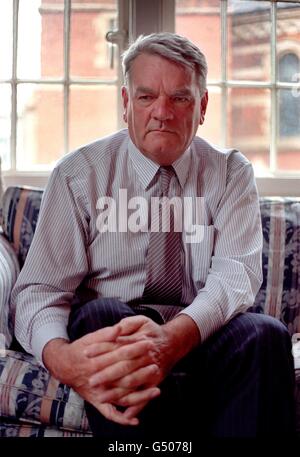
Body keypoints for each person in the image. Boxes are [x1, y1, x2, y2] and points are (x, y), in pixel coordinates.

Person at [12, 33, 295, 439]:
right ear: (127, 104)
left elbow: (236, 276)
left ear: (202, 108)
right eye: (146, 98)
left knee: (265, 334)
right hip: (118, 333)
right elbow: (39, 290)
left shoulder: (231, 173)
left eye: (179, 98)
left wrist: (171, 340)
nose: (162, 112)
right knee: (100, 317)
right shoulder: (79, 175)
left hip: (199, 335)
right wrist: (62, 357)